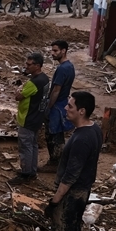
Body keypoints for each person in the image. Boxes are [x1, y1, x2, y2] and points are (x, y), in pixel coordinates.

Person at [46, 91, 101, 231]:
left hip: (71, 194)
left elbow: (70, 175)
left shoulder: (81, 139)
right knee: (73, 229)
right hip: (83, 190)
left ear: (82, 111)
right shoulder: (94, 129)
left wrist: (55, 201)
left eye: (70, 106)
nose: (66, 108)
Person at [9, 52, 48, 185]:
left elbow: (18, 96)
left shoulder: (33, 83)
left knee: (25, 146)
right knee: (33, 145)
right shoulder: (45, 79)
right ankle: (32, 170)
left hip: (27, 118)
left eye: (29, 64)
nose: (26, 66)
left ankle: (26, 173)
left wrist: (19, 90)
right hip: (37, 117)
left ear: (37, 66)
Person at [43, 40, 75, 170]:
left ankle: (55, 163)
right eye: (52, 50)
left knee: (53, 135)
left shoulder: (62, 69)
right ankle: (58, 162)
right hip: (62, 103)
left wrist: (48, 107)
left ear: (64, 51)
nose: (52, 53)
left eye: (55, 51)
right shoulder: (70, 66)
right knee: (58, 134)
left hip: (57, 105)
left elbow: (56, 90)